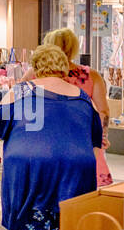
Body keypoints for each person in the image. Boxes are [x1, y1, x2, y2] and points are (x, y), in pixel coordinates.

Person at [0, 43, 101, 230]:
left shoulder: (21, 91)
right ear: (64, 67)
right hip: (76, 171)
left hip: (30, 168)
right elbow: (95, 140)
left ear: (35, 66)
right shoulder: (83, 97)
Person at [37, 27, 113, 187]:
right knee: (85, 192)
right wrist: (102, 136)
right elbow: (103, 111)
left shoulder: (36, 74)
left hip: (45, 142)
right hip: (84, 142)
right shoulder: (90, 76)